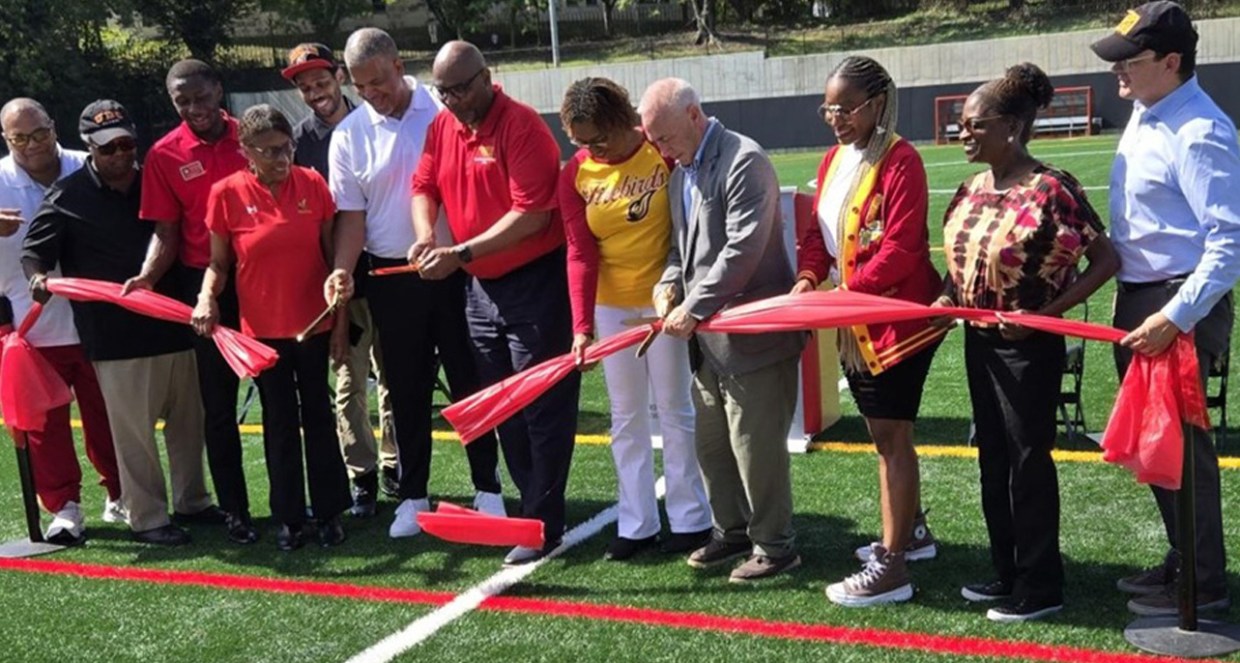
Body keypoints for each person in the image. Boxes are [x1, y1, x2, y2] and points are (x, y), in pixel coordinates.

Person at [941, 63, 1118, 622]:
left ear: (1011, 127)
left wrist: (1043, 313)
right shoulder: (972, 187)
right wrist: (949, 298)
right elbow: (962, 261)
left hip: (1027, 347)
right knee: (992, 458)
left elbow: (1106, 259)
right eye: (959, 125)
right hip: (979, 341)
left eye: (974, 125)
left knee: (1027, 462)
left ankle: (1042, 586)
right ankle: (1007, 569)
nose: (962, 134)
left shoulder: (1052, 188)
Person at [1091, 0, 1239, 617]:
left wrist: (1175, 316)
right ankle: (1186, 559)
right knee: (1159, 447)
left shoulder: (1200, 131)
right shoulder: (1147, 110)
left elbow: (1228, 246)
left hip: (1176, 305)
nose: (1117, 72)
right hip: (1143, 298)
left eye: (1131, 60)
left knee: (1182, 449)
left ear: (1172, 61)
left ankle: (1204, 584)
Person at [330, 29, 505, 540]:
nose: (373, 94)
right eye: (362, 87)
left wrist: (458, 252)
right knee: (403, 391)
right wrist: (342, 267)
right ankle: (412, 496)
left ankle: (488, 488)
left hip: (457, 272)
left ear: (398, 64)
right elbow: (351, 219)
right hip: (392, 279)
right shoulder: (349, 135)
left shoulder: (443, 109)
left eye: (379, 81)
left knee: (470, 382)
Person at [412, 41, 578, 566]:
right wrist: (424, 238)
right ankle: (533, 515)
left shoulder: (521, 126)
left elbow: (532, 214)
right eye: (444, 92)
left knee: (542, 407)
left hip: (534, 281)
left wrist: (458, 252)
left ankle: (543, 523)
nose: (454, 100)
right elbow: (423, 185)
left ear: (487, 77)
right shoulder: (443, 126)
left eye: (462, 88)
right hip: (480, 288)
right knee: (503, 405)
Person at [638, 78, 806, 583]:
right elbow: (678, 252)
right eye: (655, 142)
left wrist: (690, 305)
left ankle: (775, 545)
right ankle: (730, 530)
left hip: (753, 338)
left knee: (756, 448)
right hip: (706, 343)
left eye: (665, 138)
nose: (661, 150)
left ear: (694, 115)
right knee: (712, 446)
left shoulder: (743, 161)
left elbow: (743, 250)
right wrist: (668, 287)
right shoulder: (678, 174)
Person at [793, 56, 945, 607]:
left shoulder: (902, 160)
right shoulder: (835, 158)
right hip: (854, 319)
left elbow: (904, 250)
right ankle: (913, 533)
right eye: (828, 108)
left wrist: (845, 294)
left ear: (877, 103)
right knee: (886, 437)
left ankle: (894, 563)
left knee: (890, 440)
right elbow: (817, 235)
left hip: (894, 324)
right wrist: (810, 277)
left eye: (846, 108)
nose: (834, 118)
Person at [23, 100, 207, 546]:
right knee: (134, 440)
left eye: (126, 143)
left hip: (176, 324)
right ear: (89, 148)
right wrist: (38, 279)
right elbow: (35, 252)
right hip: (115, 337)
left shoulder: (156, 179)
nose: (120, 155)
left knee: (189, 426)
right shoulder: (66, 195)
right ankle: (148, 518)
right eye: (108, 149)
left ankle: (193, 502)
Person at [558, 77, 712, 562]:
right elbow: (580, 253)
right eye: (581, 142)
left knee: (675, 410)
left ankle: (691, 519)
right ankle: (637, 523)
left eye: (599, 139)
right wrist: (582, 326)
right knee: (626, 418)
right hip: (611, 307)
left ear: (627, 122)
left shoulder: (660, 152)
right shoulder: (576, 175)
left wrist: (679, 295)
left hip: (666, 301)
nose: (591, 150)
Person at [193, 104, 351, 551]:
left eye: (287, 148)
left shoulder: (314, 185)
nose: (282, 159)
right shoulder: (225, 194)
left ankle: (329, 512)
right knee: (279, 422)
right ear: (246, 151)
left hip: (314, 327)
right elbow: (218, 264)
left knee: (319, 416)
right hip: (261, 334)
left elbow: (330, 260)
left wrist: (339, 326)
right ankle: (288, 518)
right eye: (269, 151)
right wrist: (207, 298)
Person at [124, 59, 256, 544]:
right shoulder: (164, 154)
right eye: (183, 101)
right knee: (217, 407)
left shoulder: (254, 134)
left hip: (269, 281)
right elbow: (166, 230)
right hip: (208, 290)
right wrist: (148, 274)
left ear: (219, 90)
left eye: (202, 97)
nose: (195, 109)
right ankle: (237, 511)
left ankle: (292, 505)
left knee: (287, 399)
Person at [282, 42, 398, 516]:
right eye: (305, 87)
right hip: (336, 283)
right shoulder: (297, 143)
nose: (315, 93)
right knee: (349, 378)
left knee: (395, 375)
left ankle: (396, 463)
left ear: (339, 78)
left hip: (387, 270)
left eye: (321, 82)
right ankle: (362, 474)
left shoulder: (376, 119)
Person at [0, 97, 122, 545]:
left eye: (40, 133)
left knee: (108, 414)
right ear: (6, 139)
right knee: (44, 423)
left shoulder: (86, 165)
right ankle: (64, 507)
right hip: (28, 323)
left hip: (97, 317)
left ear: (54, 126)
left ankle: (120, 493)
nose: (32, 145)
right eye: (19, 138)